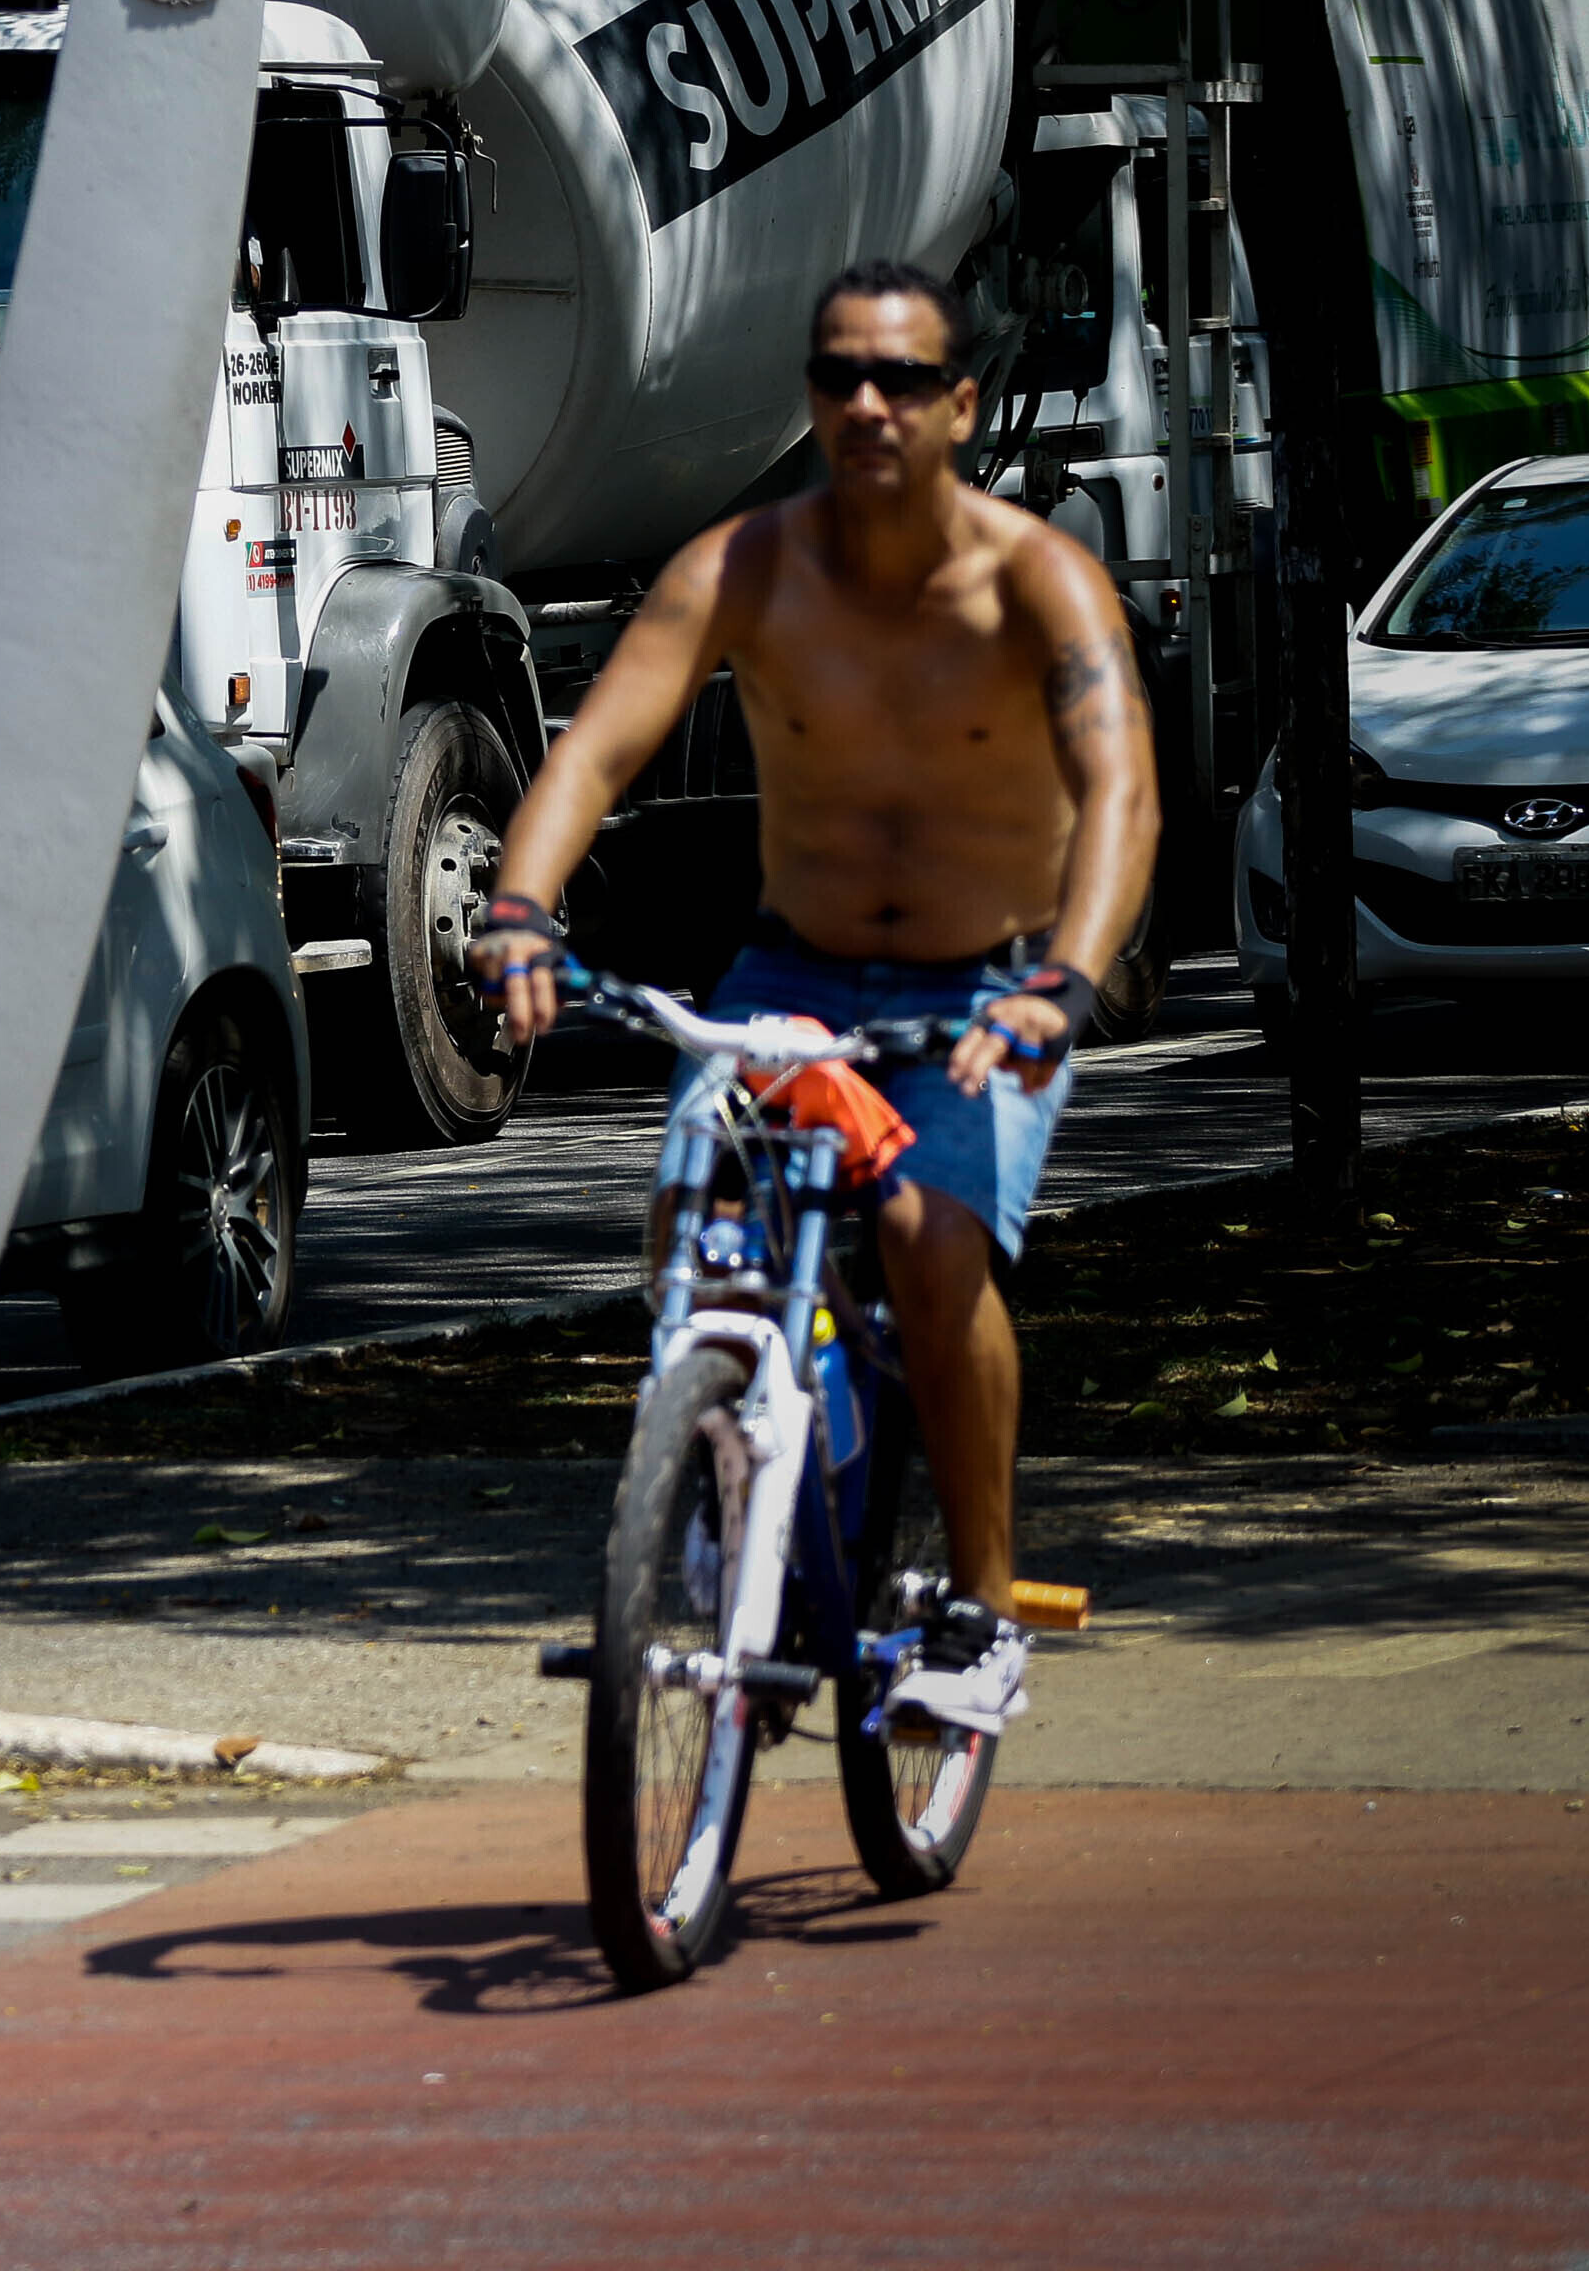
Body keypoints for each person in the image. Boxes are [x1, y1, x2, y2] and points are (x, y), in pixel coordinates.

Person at [473, 259, 1157, 1735]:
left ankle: (980, 1612)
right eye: (839, 374)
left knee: (923, 1235)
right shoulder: (745, 570)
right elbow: (592, 756)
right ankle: (750, 1481)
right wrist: (520, 911)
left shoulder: (1038, 579)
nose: (866, 404)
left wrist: (1063, 984)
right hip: (794, 972)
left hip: (984, 987)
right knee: (694, 1218)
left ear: (961, 404)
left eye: (902, 379)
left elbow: (1123, 800)